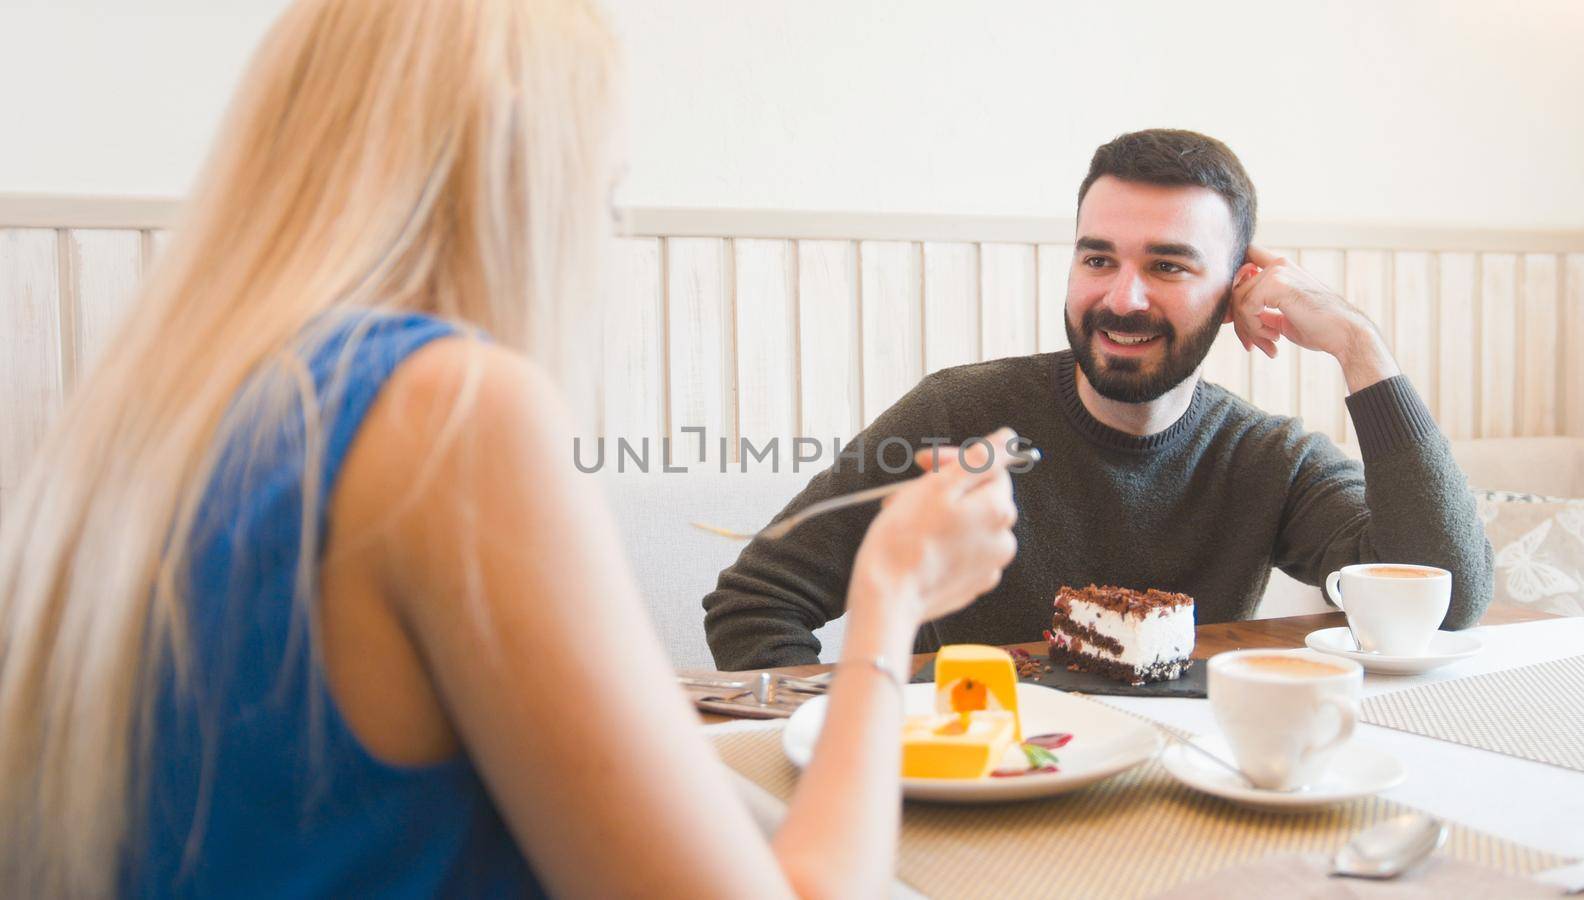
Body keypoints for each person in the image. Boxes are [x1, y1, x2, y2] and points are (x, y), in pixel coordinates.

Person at [0, 1, 1020, 896]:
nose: (602, 238)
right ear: (519, 168)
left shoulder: (162, 408)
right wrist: (891, 592)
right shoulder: (448, 413)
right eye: (606, 192)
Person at [703, 128, 1493, 671]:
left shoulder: (1270, 460)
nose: (1122, 298)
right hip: (977, 789)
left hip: (1184, 798)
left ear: (1235, 291)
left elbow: (1441, 602)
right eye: (1097, 258)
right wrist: (859, 744)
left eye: (1170, 266)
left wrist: (1362, 346)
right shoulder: (958, 415)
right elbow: (754, 603)